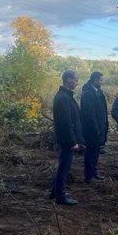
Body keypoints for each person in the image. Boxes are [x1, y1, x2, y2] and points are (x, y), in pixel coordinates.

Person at [49, 70, 83, 205]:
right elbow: (65, 122)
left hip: (66, 139)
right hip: (67, 140)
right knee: (64, 167)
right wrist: (72, 141)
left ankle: (55, 191)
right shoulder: (63, 97)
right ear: (68, 80)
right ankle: (61, 196)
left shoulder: (65, 95)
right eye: (75, 80)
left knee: (63, 165)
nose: (77, 82)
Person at [80, 71, 108, 183]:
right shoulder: (87, 94)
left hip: (100, 129)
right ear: (95, 80)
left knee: (96, 153)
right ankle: (89, 176)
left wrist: (104, 127)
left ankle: (94, 173)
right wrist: (96, 129)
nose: (102, 82)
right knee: (90, 153)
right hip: (92, 130)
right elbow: (89, 114)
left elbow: (102, 112)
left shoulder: (98, 92)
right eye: (101, 80)